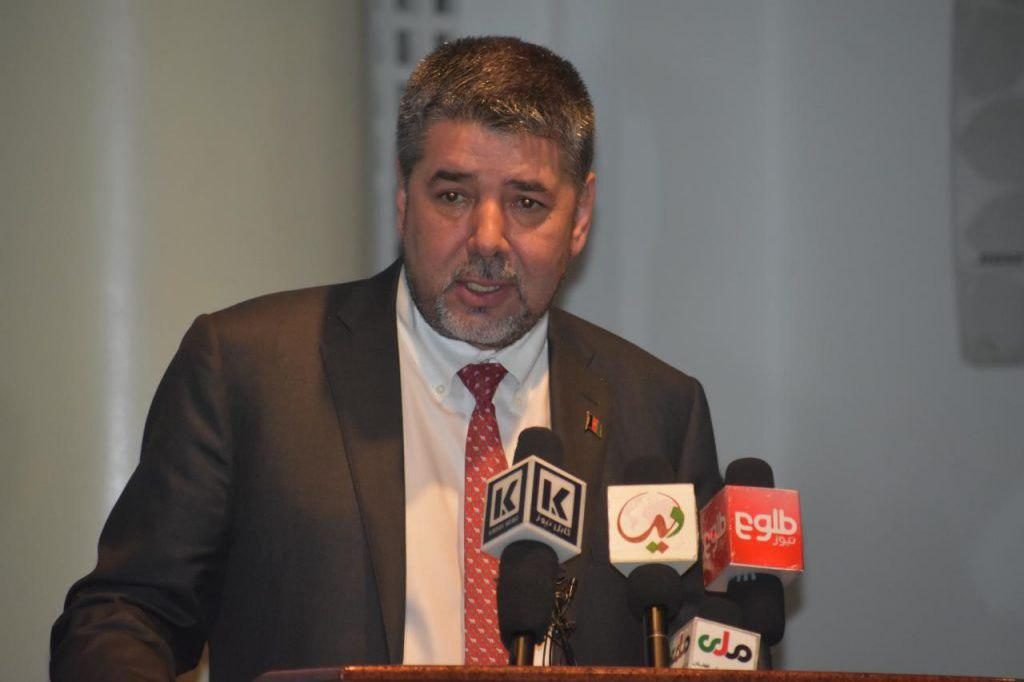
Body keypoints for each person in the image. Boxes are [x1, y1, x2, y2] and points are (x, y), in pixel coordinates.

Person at [51, 36, 722, 681]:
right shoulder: (248, 371)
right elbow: (124, 615)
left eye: (527, 202)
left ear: (580, 217)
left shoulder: (660, 411)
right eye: (453, 195)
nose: (488, 239)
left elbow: (709, 646)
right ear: (404, 197)